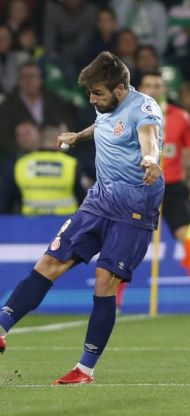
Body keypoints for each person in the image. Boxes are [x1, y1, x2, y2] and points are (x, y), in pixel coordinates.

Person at [0, 52, 164, 385]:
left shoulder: (145, 108)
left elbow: (148, 137)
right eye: (90, 93)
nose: (91, 99)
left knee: (104, 282)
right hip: (98, 202)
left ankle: (84, 370)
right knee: (50, 262)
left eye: (97, 93)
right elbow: (103, 126)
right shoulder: (106, 108)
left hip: (134, 210)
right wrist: (77, 136)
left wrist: (151, 160)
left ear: (119, 89)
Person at [114, 71, 190, 310]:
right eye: (149, 85)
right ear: (141, 88)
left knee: (187, 237)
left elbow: (187, 157)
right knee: (127, 242)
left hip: (173, 186)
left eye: (158, 85)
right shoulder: (128, 116)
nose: (154, 89)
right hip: (141, 185)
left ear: (164, 89)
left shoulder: (181, 117)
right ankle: (113, 297)